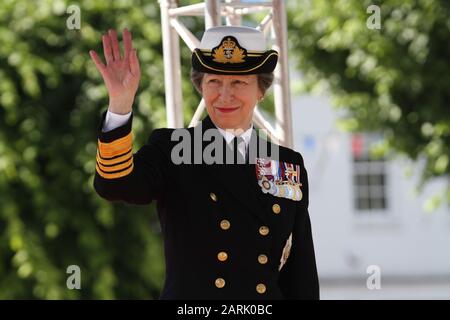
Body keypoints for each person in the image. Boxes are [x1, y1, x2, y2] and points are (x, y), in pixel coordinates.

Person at [89, 26, 319, 300]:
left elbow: (300, 272)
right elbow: (114, 184)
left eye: (238, 83)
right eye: (214, 82)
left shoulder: (286, 163)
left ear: (261, 90)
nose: (224, 95)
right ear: (200, 86)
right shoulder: (173, 148)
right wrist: (120, 106)